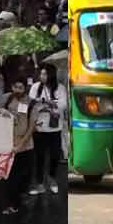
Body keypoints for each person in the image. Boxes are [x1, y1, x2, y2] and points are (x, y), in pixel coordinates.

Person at [0, 79, 38, 214]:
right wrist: (4, 110)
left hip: (25, 147)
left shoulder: (32, 103)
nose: (18, 90)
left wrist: (20, 146)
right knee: (11, 177)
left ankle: (19, 199)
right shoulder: (7, 98)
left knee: (24, 176)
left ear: (25, 88)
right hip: (8, 145)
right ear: (12, 87)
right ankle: (12, 204)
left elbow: (31, 128)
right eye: (15, 87)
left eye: (20, 87)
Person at [28, 64, 66, 195]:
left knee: (55, 154)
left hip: (55, 128)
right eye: (41, 74)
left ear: (51, 75)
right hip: (39, 127)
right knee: (39, 156)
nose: (42, 76)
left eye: (44, 74)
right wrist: (46, 103)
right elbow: (32, 103)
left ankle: (52, 178)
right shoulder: (35, 87)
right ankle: (39, 183)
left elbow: (62, 105)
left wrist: (48, 106)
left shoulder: (60, 88)